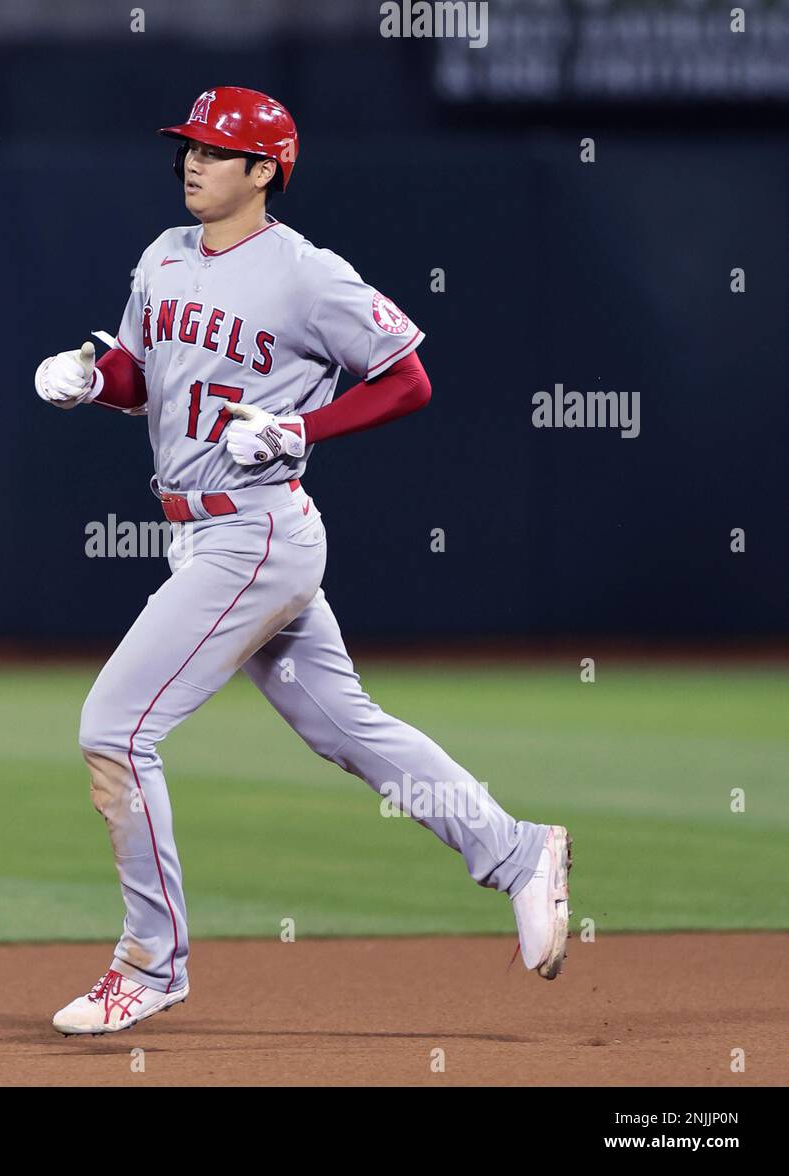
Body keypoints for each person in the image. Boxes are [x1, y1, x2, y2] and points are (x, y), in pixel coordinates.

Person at [35, 87, 571, 1036]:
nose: (193, 162)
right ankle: (519, 851)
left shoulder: (307, 275)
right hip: (200, 532)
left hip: (259, 533)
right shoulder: (163, 256)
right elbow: (141, 374)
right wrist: (93, 378)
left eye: (215, 149)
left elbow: (408, 378)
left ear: (265, 171)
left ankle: (151, 963)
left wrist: (297, 427)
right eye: (188, 147)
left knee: (115, 731)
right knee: (348, 729)